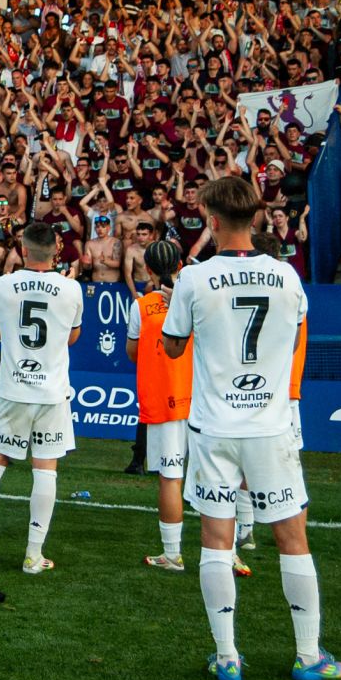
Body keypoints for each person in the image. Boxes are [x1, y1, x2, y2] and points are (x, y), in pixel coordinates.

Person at [163, 176, 341, 680]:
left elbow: (174, 347)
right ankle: (308, 655)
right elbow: (290, 338)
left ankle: (226, 656)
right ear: (255, 218)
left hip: (214, 426)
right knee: (292, 537)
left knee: (216, 539)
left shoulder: (194, 278)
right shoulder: (287, 276)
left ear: (212, 221)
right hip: (270, 424)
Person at [0, 223, 83, 574]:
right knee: (45, 467)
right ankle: (33, 555)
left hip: (13, 387)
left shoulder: (2, 285)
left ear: (22, 246)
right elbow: (72, 338)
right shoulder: (71, 288)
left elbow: (0, 332)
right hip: (50, 392)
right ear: (57, 249)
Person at [128, 240, 197, 572]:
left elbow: (132, 351)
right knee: (215, 476)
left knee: (171, 477)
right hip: (200, 400)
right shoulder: (198, 300)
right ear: (181, 264)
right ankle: (230, 548)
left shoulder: (141, 306)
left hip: (164, 399)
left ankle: (172, 554)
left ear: (150, 270)